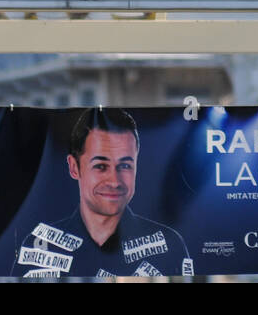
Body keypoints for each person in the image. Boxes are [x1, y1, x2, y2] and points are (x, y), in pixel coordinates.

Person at [13, 107, 193, 279]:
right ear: (74, 167)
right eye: (100, 166)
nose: (114, 181)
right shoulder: (38, 245)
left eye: (125, 166)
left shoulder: (170, 246)